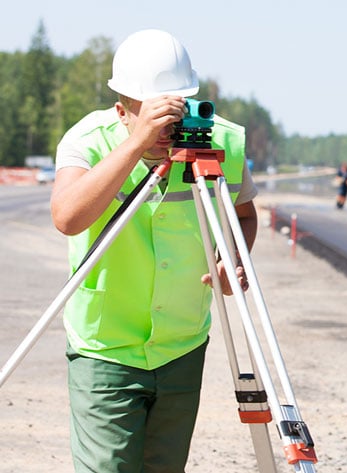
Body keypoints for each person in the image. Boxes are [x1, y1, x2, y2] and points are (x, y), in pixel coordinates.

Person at [50, 29, 258, 472]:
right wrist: (137, 144)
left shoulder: (221, 142)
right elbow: (67, 217)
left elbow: (243, 215)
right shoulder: (88, 140)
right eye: (153, 116)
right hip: (105, 346)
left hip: (181, 342)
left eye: (175, 110)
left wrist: (231, 262)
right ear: (122, 110)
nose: (168, 129)